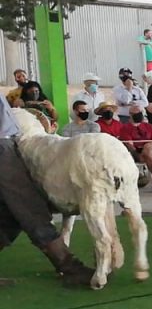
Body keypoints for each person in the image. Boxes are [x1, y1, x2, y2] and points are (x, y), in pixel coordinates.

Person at [0, 97, 95, 288]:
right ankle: (69, 266)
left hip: (8, 144)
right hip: (2, 147)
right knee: (29, 205)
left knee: (9, 215)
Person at [120, 105, 152, 192]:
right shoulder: (125, 128)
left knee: (148, 149)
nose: (139, 115)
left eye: (140, 113)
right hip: (135, 153)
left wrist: (150, 143)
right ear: (130, 115)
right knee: (148, 152)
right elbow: (129, 145)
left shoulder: (148, 126)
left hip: (149, 151)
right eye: (136, 114)